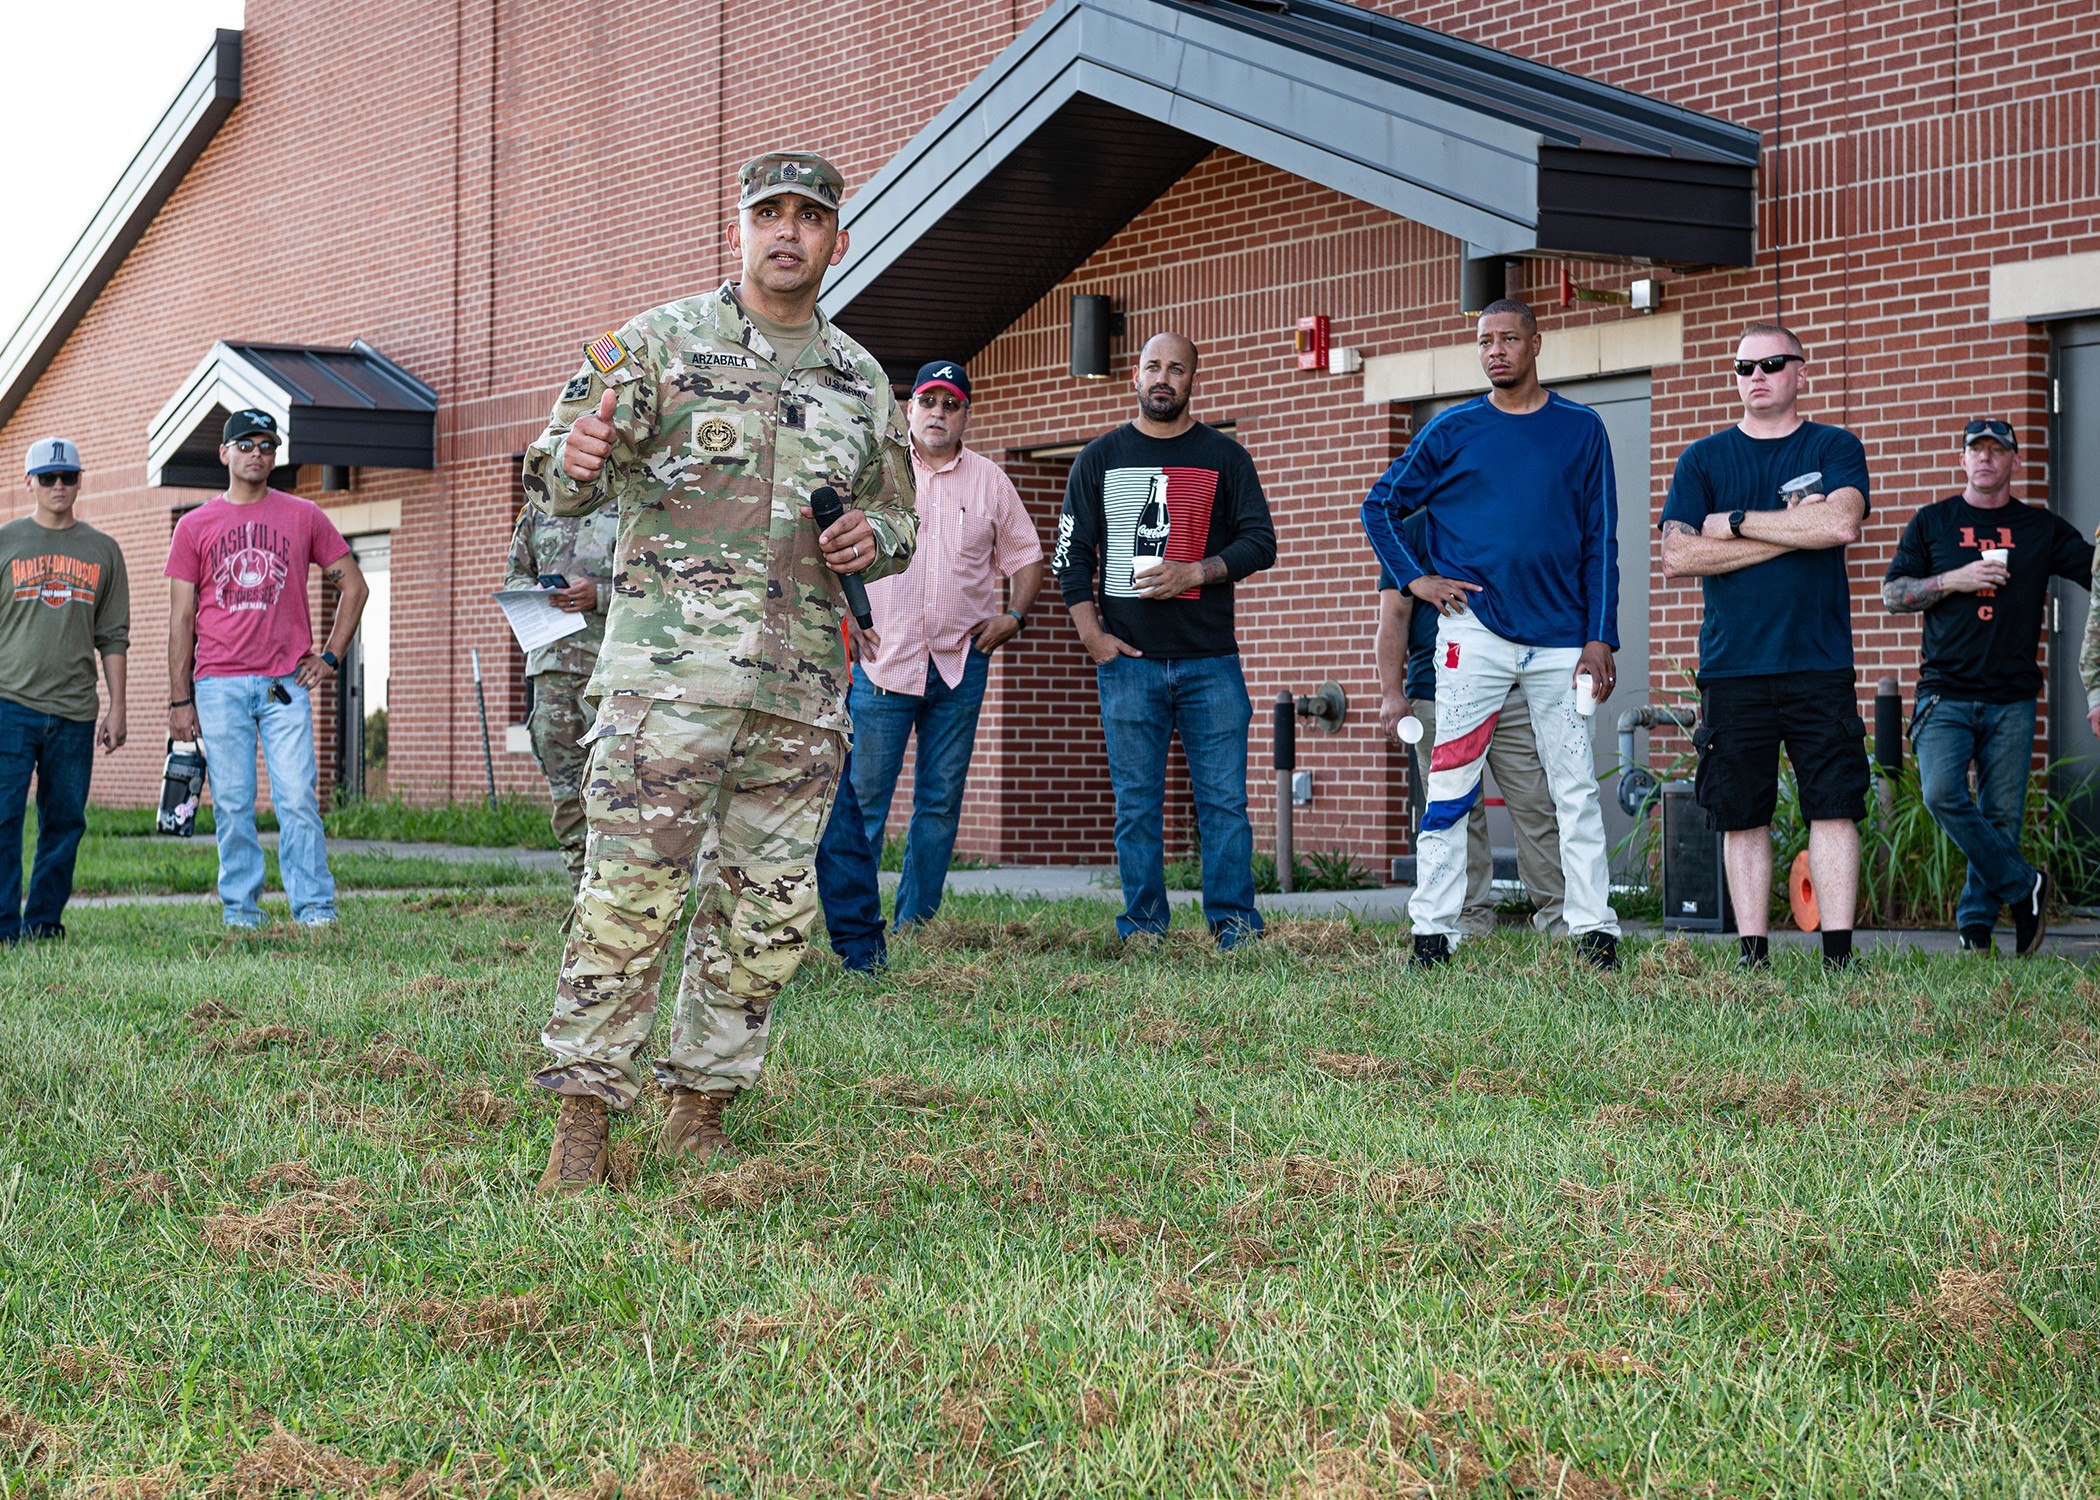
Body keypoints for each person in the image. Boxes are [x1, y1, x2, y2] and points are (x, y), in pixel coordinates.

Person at [520, 150, 916, 1193]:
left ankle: (699, 1109)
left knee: (767, 909)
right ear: (739, 228)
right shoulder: (658, 345)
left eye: (811, 217)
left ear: (837, 236)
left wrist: (873, 536)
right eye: (769, 214)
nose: (789, 232)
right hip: (667, 684)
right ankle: (582, 1132)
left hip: (798, 695)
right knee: (627, 899)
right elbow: (554, 476)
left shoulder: (862, 381)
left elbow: (901, 517)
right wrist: (574, 460)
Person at [1362, 299, 1622, 970]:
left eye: (1509, 338)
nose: (1496, 350)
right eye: (1485, 341)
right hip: (1472, 634)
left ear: (1537, 344)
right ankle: (1434, 931)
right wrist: (1416, 578)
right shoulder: (1452, 430)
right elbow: (1379, 505)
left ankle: (1594, 928)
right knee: (1449, 782)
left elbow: (1600, 538)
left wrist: (1601, 637)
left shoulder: (1582, 428)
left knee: (1574, 787)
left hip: (1563, 639)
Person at [1052, 332, 1276, 951]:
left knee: (1225, 805)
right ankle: (1145, 928)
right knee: (1136, 806)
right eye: (1153, 366)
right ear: (1135, 376)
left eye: (1176, 369)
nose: (1163, 378)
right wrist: (1092, 635)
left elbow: (1262, 542)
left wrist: (1195, 571)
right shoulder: (1099, 457)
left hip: (1211, 663)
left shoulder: (1224, 457)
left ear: (1193, 380)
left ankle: (1234, 928)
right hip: (1129, 663)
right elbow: (1069, 556)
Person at [1658, 323, 1870, 971]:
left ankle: (1838, 959)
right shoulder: (1703, 459)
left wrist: (1740, 524)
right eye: (1744, 368)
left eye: (1772, 364)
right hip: (1733, 667)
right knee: (1740, 813)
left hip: (1818, 663)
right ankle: (1754, 958)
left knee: (1832, 806)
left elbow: (1840, 520)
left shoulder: (1835, 444)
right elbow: (1677, 552)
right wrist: (1791, 532)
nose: (1757, 377)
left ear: (1800, 373)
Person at [836, 359, 1044, 931]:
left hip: (960, 664)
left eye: (951, 404)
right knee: (863, 804)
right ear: (910, 409)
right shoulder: (874, 474)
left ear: (965, 415)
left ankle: (915, 925)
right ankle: (855, 927)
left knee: (939, 803)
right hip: (882, 662)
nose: (939, 413)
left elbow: (1026, 556)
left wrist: (1014, 616)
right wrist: (842, 618)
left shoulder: (990, 480)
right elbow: (827, 549)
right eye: (929, 401)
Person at [1883, 418, 2089, 954]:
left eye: (1998, 451)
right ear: (1963, 458)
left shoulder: (2040, 527)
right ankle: (2025, 888)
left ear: (2014, 462)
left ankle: (1976, 928)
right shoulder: (1933, 522)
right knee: (1942, 793)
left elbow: (2096, 572)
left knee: (2001, 817)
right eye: (1977, 450)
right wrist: (1954, 579)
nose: (1986, 460)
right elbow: (1893, 593)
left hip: (2013, 695)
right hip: (1944, 691)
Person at [166, 411, 368, 931]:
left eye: (267, 445)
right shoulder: (194, 526)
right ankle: (242, 914)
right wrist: (179, 700)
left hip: (285, 684)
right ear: (225, 453)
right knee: (233, 804)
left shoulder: (303, 515)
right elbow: (182, 618)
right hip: (217, 684)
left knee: (297, 799)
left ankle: (315, 910)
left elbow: (355, 586)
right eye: (246, 444)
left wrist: (329, 656)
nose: (257, 453)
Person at [1375, 511, 1565, 938]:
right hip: (1435, 690)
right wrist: (1392, 693)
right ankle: (1470, 919)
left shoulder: (1502, 512)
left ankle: (1559, 917)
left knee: (1536, 802)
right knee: (1457, 812)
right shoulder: (1411, 532)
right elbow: (1394, 617)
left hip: (1514, 689)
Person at [0, 438, 128, 944]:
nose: (59, 486)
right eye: (48, 477)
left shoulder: (103, 550)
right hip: (8, 705)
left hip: (75, 712)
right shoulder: (6, 542)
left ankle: (44, 923)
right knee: (3, 819)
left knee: (64, 823)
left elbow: (113, 636)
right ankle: (4, 927)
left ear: (79, 481)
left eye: (68, 477)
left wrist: (118, 707)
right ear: (28, 481)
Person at [502, 498, 621, 891]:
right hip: (551, 669)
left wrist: (599, 595)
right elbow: (514, 574)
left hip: (612, 674)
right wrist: (534, 591)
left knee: (618, 796)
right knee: (568, 798)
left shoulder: (635, 498)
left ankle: (620, 902)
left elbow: (662, 582)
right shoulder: (540, 507)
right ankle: (582, 899)